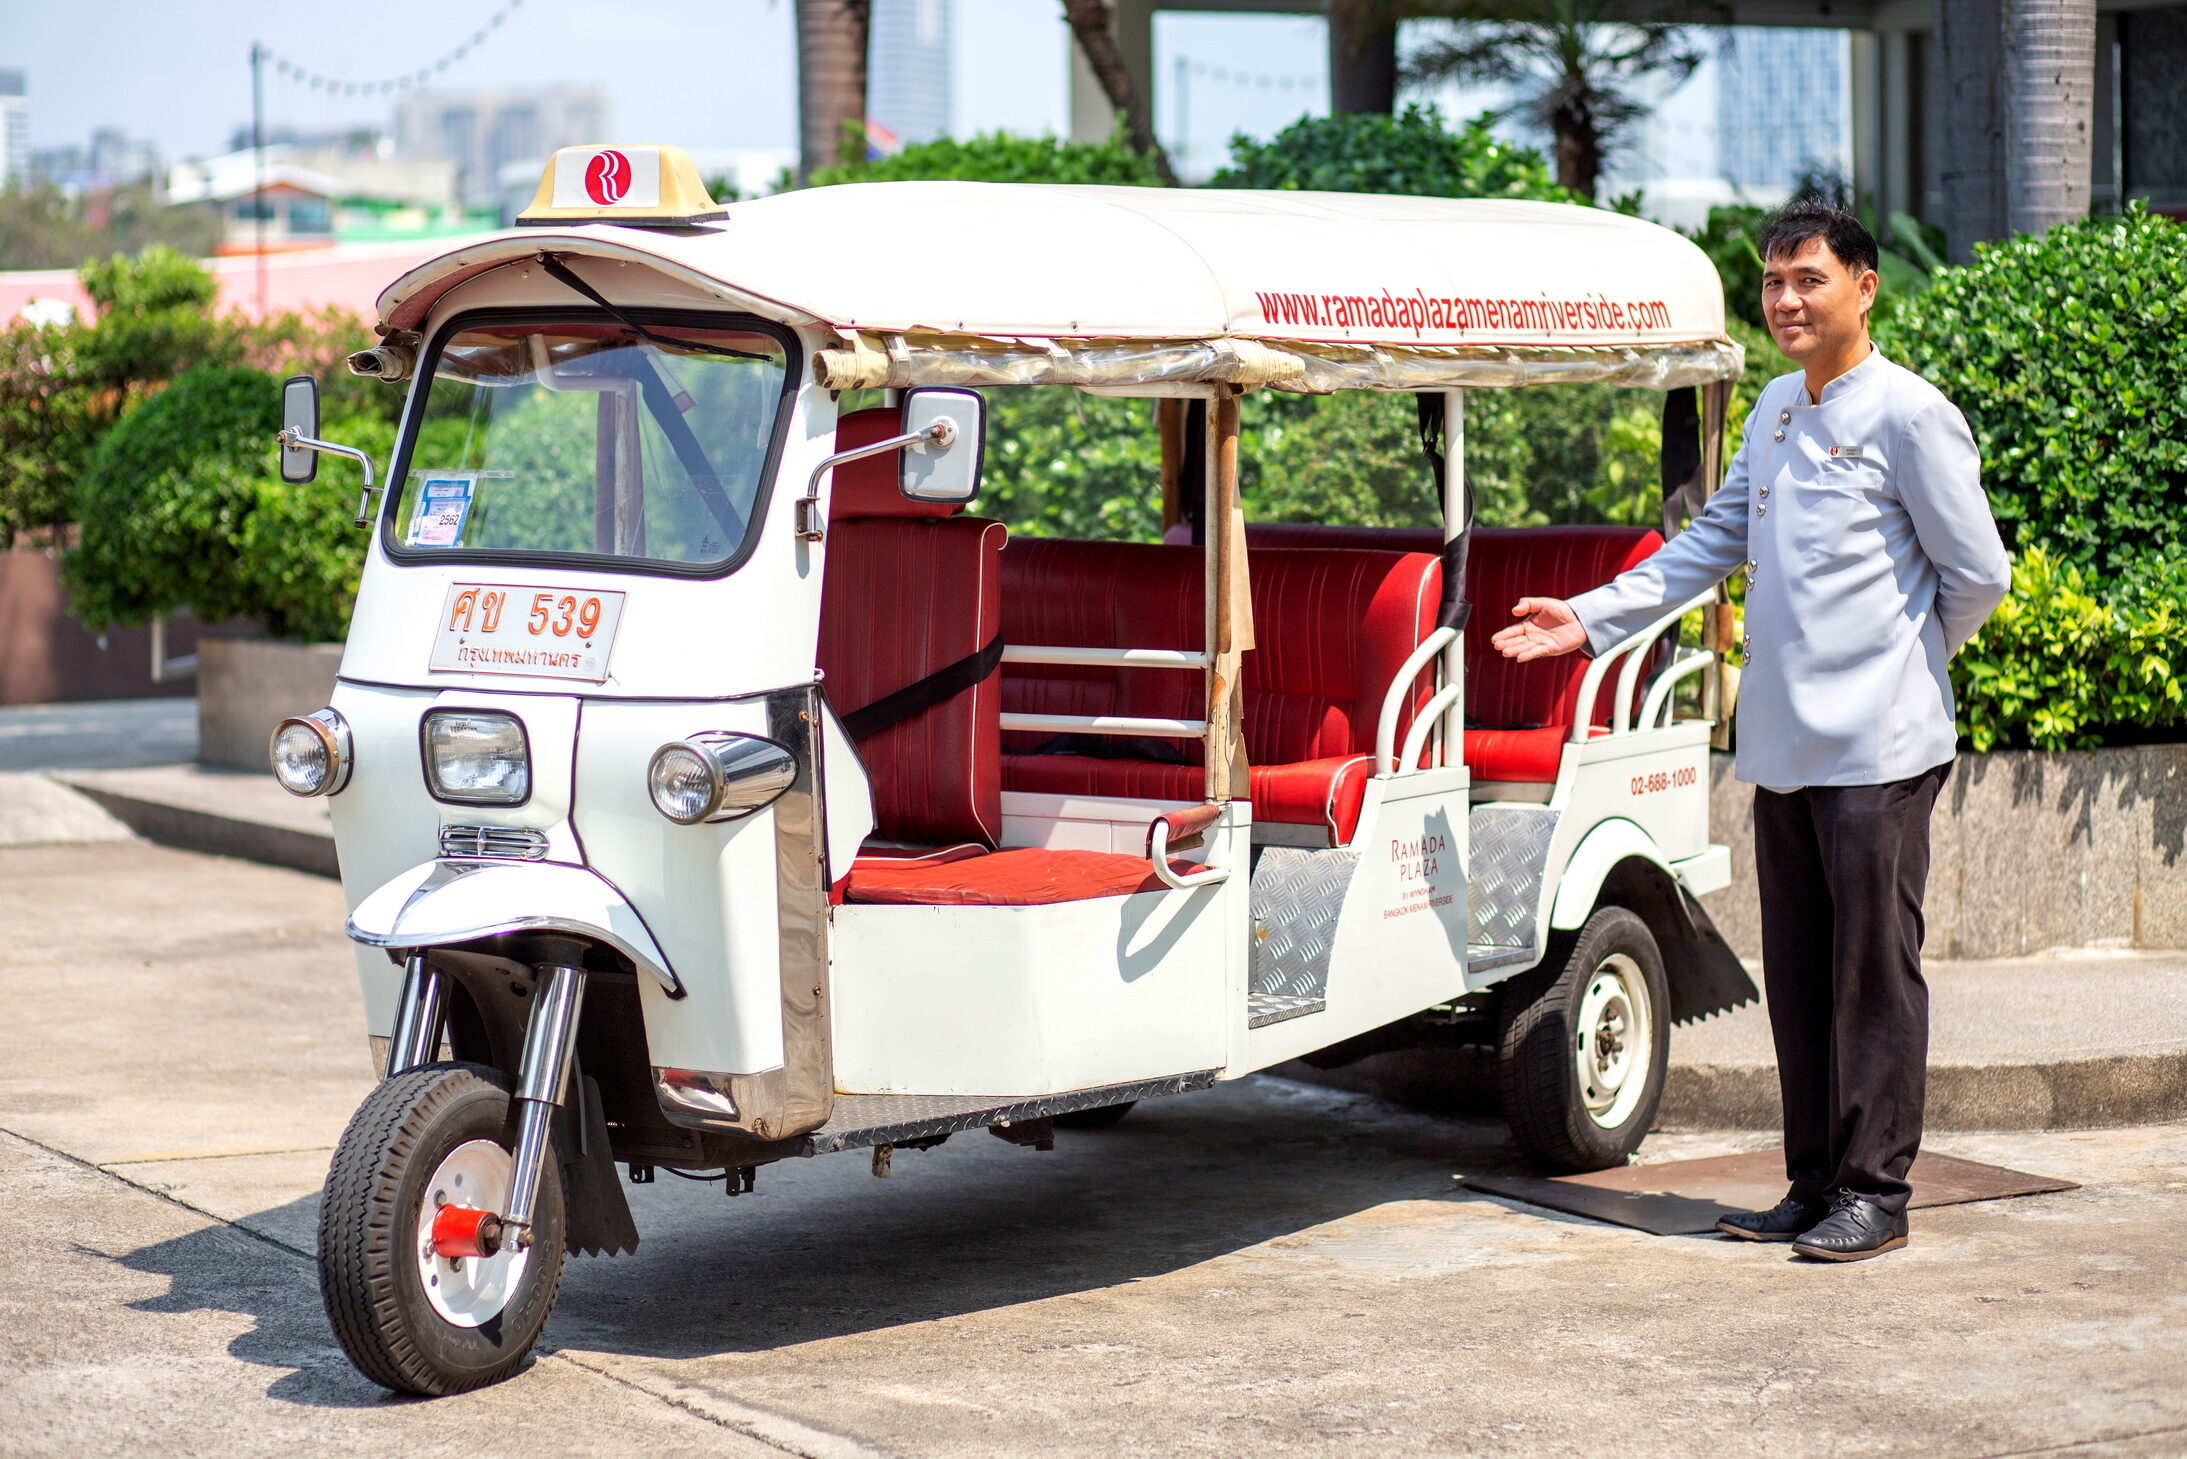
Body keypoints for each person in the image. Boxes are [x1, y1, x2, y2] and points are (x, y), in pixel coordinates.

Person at [1490, 200, 2011, 1261]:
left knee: (1873, 976)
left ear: (1864, 287)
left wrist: (1903, 663)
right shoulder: (1776, 406)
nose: (1786, 300)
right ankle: (1813, 1183)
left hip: (1879, 751)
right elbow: (1714, 539)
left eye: (1808, 279)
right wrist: (1588, 617)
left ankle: (1876, 1192)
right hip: (1783, 745)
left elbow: (1978, 576)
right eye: (1774, 281)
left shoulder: (1910, 415)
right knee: (1803, 974)